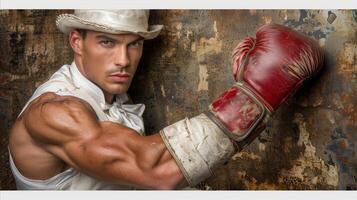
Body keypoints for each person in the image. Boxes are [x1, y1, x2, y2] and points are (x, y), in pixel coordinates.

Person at [8, 9, 324, 190]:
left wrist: (255, 98)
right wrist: (255, 92)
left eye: (134, 44)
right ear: (77, 41)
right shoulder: (54, 112)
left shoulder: (109, 92)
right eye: (107, 42)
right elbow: (152, 169)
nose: (123, 60)